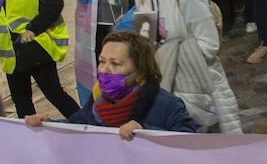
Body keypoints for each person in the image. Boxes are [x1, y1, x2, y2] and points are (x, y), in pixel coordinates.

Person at [125, 0, 241, 132]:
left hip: (197, 83)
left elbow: (210, 44)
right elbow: (146, 39)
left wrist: (172, 55)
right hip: (163, 84)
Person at [56, 32, 196, 137]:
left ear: (140, 71)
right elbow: (75, 125)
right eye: (102, 61)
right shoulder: (96, 100)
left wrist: (145, 132)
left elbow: (188, 143)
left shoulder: (167, 105)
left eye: (115, 64)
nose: (104, 70)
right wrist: (48, 124)